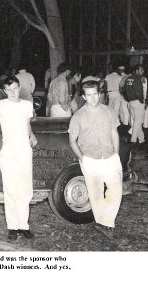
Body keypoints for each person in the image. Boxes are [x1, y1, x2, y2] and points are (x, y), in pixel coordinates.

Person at [0, 76, 37, 240]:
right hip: (9, 151)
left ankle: (23, 226)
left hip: (24, 150)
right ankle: (12, 227)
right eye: (9, 90)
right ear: (4, 91)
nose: (12, 92)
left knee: (25, 190)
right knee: (10, 189)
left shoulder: (27, 105)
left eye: (15, 89)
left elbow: (27, 124)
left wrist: (32, 135)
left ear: (19, 87)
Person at [68, 80, 122, 239]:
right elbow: (72, 140)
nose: (92, 98)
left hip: (110, 157)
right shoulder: (78, 116)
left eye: (95, 94)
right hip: (90, 159)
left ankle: (108, 221)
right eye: (89, 95)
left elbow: (114, 133)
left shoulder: (108, 111)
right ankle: (103, 223)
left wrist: (116, 154)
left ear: (99, 94)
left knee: (116, 190)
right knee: (96, 193)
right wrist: (82, 158)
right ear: (84, 97)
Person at [124, 64, 145, 144]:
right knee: (138, 121)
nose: (143, 71)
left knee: (136, 121)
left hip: (130, 102)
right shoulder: (138, 78)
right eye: (141, 70)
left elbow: (126, 91)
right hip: (137, 102)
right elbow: (139, 92)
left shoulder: (129, 78)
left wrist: (128, 99)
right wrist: (142, 101)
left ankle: (141, 138)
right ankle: (133, 139)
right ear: (136, 71)